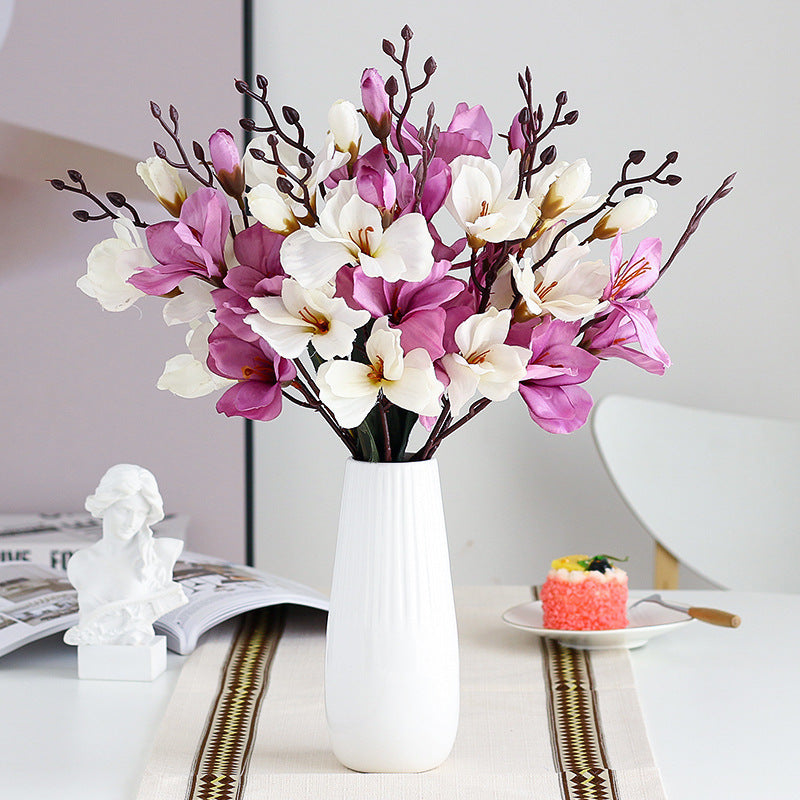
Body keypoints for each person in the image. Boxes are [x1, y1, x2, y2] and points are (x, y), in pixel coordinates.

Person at [64, 464, 187, 646]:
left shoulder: (161, 553)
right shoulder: (80, 563)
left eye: (140, 514)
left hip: (136, 648)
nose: (132, 522)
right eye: (125, 511)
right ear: (106, 506)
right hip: (97, 654)